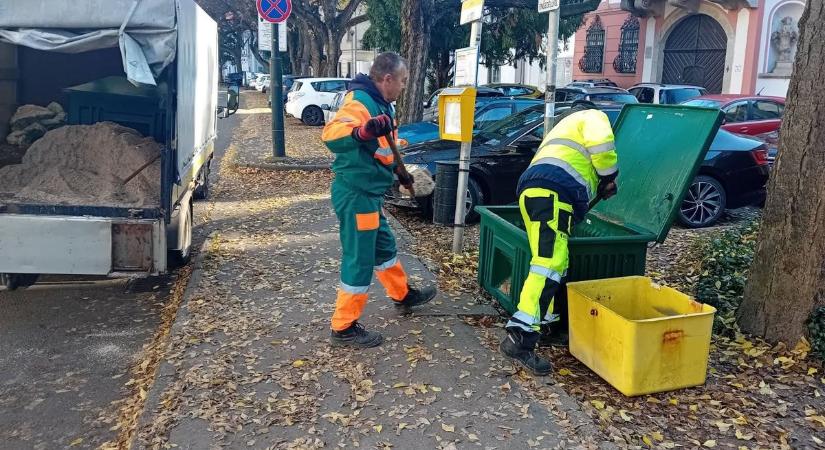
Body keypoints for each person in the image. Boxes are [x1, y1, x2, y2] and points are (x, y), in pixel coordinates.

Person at [321, 52, 437, 348]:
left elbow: (386, 147)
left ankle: (402, 294)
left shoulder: (382, 104)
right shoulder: (361, 102)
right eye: (402, 81)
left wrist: (401, 174)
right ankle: (343, 326)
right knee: (359, 258)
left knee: (384, 246)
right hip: (356, 194)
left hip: (369, 195)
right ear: (387, 79)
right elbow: (333, 134)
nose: (404, 86)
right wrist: (362, 131)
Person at [500, 104, 619, 376]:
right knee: (549, 264)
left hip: (534, 193)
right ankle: (520, 337)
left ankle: (547, 323)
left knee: (554, 261)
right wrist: (609, 176)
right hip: (552, 195)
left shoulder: (560, 131)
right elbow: (602, 145)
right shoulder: (591, 116)